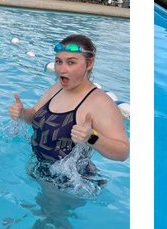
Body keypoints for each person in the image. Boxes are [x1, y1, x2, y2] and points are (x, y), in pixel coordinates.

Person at [9, 34, 130, 177]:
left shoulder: (100, 102)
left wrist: (91, 137)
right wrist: (23, 113)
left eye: (71, 62)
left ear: (89, 63)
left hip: (71, 183)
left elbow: (123, 152)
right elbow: (35, 114)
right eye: (58, 61)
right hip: (41, 170)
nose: (62, 69)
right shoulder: (57, 88)